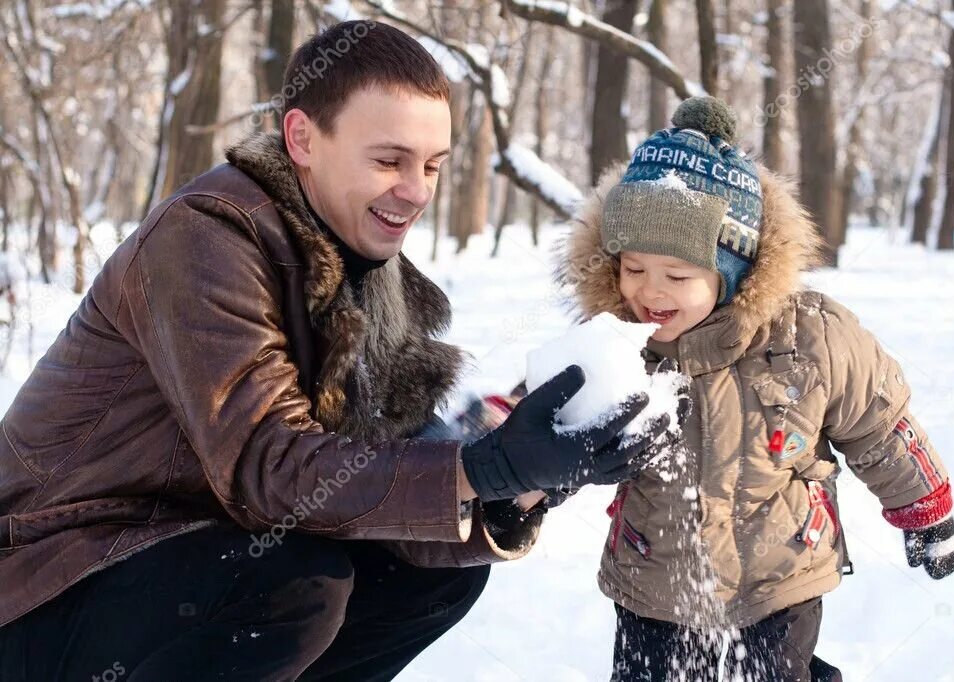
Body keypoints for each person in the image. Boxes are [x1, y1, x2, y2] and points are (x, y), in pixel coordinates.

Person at [0, 21, 669, 680]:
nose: (416, 191)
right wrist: (482, 466)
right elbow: (270, 466)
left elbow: (362, 487)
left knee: (429, 576)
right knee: (292, 585)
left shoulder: (364, 273)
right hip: (49, 580)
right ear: (302, 139)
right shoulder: (204, 240)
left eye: (432, 165)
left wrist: (517, 483)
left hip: (189, 559)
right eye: (388, 160)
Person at [556, 96, 954, 681]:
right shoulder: (615, 344)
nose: (650, 291)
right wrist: (515, 489)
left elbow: (880, 425)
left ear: (733, 271)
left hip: (780, 577)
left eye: (678, 275)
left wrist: (926, 510)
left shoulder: (810, 339)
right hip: (654, 576)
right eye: (634, 267)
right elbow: (550, 421)